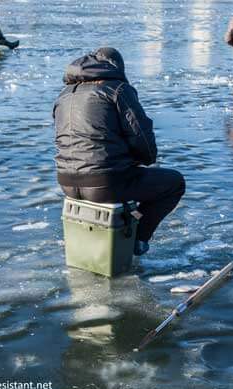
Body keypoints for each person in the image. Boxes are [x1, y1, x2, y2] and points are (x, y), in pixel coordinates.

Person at [53, 48, 185, 256]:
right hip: (107, 182)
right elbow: (141, 136)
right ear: (116, 68)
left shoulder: (64, 94)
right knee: (174, 183)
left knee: (122, 178)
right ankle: (137, 238)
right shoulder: (118, 90)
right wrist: (144, 160)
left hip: (67, 182)